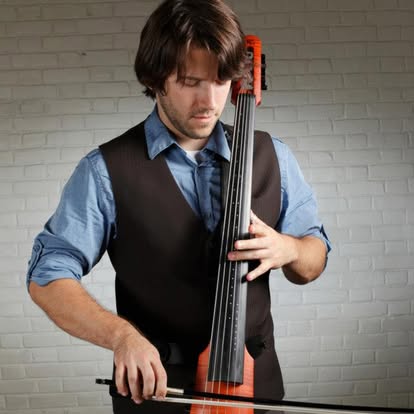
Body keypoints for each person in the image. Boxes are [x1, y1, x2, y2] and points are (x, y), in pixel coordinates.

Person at [26, 0, 330, 413]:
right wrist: (121, 336)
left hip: (255, 392)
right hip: (157, 396)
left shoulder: (272, 155)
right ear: (157, 79)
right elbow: (47, 276)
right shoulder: (104, 171)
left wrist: (289, 249)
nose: (209, 100)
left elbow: (313, 259)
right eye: (190, 82)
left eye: (221, 81)